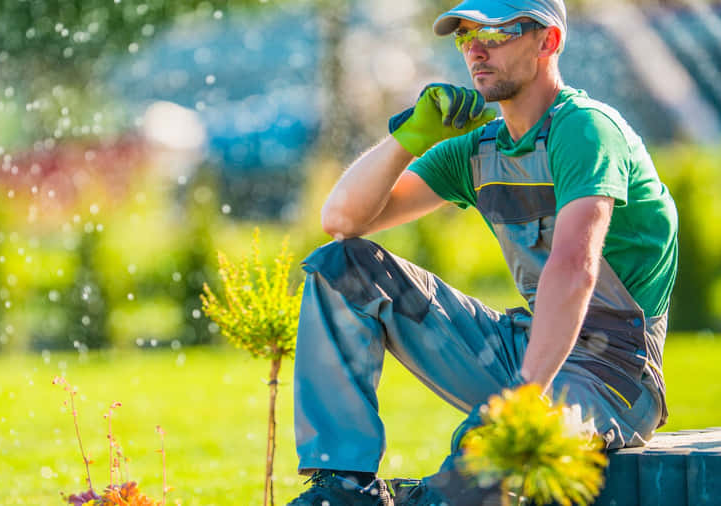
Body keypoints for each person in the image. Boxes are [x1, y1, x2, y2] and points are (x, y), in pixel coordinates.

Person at [287, 0, 678, 504]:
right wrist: (406, 141)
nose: (475, 48)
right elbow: (340, 221)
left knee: (491, 452)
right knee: (342, 268)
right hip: (528, 344)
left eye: (496, 33)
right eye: (466, 34)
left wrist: (523, 397)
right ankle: (343, 485)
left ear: (548, 41)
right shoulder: (480, 148)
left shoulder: (586, 130)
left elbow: (573, 269)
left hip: (613, 375)